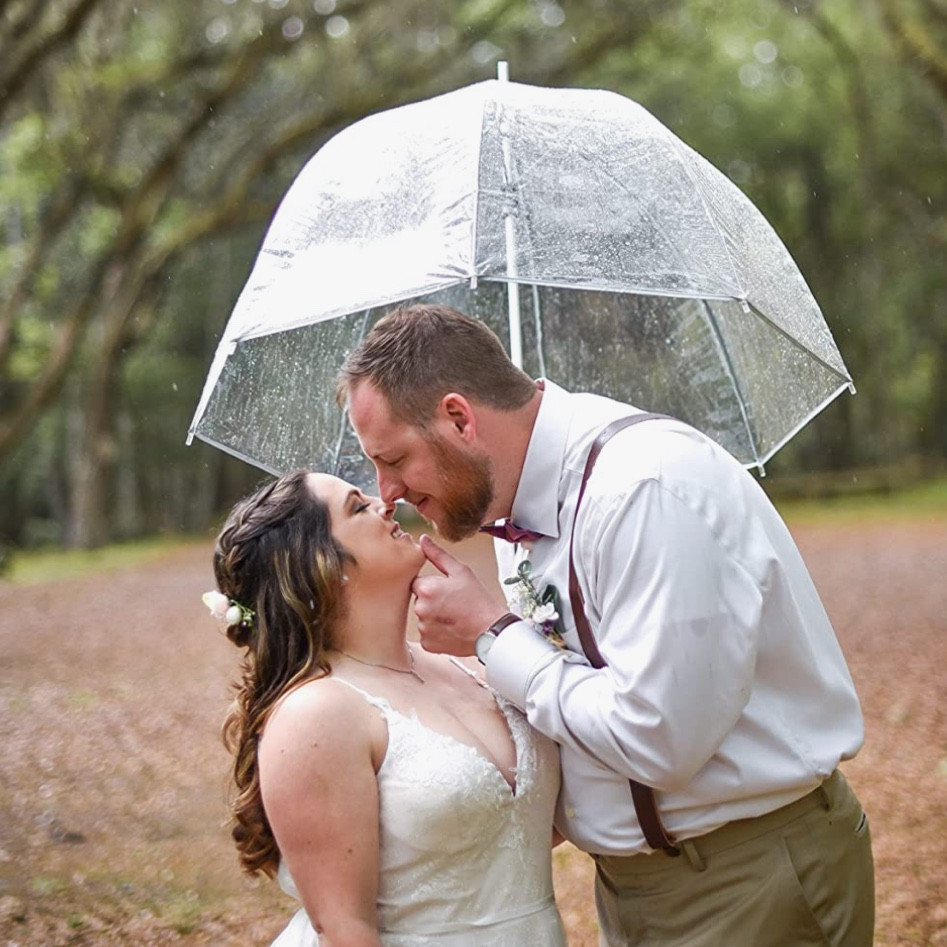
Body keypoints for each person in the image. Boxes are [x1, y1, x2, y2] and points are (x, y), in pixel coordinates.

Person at [337, 303, 876, 946]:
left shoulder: (642, 488)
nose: (386, 490)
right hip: (630, 890)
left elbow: (660, 741)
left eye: (393, 458)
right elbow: (575, 695)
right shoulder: (512, 508)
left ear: (459, 417)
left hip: (750, 877)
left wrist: (495, 636)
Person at [204, 468, 566, 946]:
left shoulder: (466, 666)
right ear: (323, 564)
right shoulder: (316, 715)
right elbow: (345, 929)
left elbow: (518, 828)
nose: (385, 503)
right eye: (358, 507)